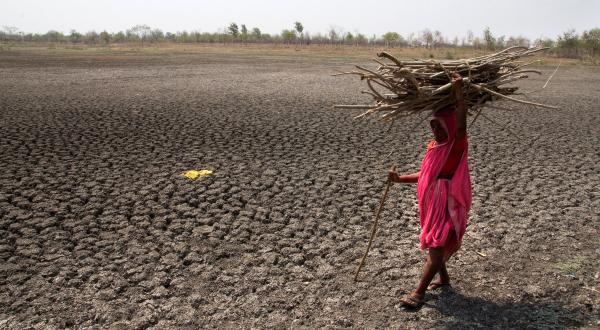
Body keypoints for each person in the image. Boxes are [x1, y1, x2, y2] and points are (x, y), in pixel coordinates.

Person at [388, 72, 472, 308]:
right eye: (433, 126)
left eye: (441, 126)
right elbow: (425, 175)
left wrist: (458, 93)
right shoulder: (434, 148)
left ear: (451, 126)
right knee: (436, 240)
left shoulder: (456, 146)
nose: (436, 131)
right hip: (431, 204)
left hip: (447, 204)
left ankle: (418, 293)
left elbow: (462, 123)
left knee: (436, 247)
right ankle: (443, 278)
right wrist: (399, 178)